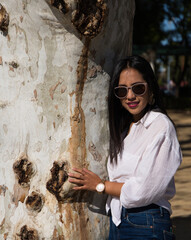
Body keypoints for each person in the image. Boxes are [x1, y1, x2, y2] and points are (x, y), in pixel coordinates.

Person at [68, 55, 182, 240]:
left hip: (146, 222)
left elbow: (143, 190)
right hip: (118, 221)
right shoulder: (124, 131)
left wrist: (100, 185)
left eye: (138, 88)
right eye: (122, 91)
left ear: (150, 88)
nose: (130, 96)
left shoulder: (160, 126)